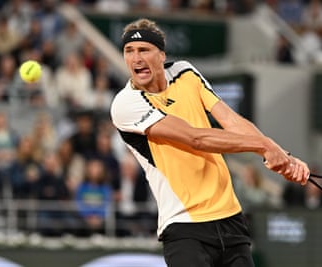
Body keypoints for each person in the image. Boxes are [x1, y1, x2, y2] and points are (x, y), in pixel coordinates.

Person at [110, 18, 310, 267]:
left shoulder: (185, 72)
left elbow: (230, 119)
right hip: (185, 228)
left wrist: (281, 153)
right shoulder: (126, 104)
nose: (135, 58)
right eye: (129, 51)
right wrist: (264, 146)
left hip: (231, 219)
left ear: (161, 55)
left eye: (144, 50)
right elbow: (196, 138)